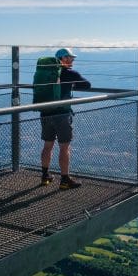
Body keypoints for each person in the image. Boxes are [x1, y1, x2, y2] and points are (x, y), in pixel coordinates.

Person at [40, 48, 91, 189]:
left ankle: (45, 176)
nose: (72, 61)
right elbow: (87, 85)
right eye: (71, 58)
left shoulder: (46, 74)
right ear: (64, 59)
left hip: (45, 113)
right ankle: (64, 179)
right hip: (62, 115)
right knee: (64, 147)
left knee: (47, 145)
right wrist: (72, 83)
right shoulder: (70, 73)